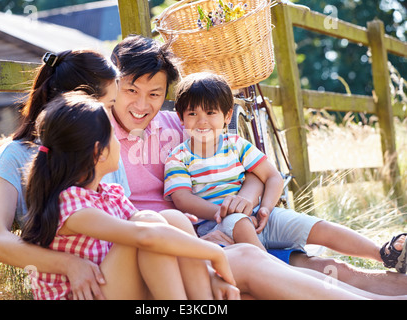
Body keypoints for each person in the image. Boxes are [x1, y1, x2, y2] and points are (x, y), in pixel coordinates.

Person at [110, 34, 407, 298]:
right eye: (131, 90)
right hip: (191, 239)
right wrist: (202, 233)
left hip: (234, 222)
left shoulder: (178, 123)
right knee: (287, 268)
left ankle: (388, 260)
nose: (142, 105)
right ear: (113, 85)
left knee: (328, 266)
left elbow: (251, 170)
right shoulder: (98, 135)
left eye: (155, 94)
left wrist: (247, 202)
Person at [163, 71, 407, 273]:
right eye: (192, 113)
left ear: (227, 116)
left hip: (260, 215)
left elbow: (272, 176)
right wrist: (221, 211)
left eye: (210, 113)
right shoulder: (179, 157)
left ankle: (382, 253)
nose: (202, 121)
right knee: (238, 222)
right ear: (181, 117)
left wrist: (267, 208)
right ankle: (278, 275)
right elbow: (182, 198)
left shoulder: (236, 144)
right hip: (219, 226)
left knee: (316, 226)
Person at [21, 91, 235, 299]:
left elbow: (154, 228)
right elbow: (146, 234)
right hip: (88, 294)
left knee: (173, 219)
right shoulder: (71, 204)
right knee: (149, 225)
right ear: (99, 151)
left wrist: (171, 229)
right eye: (113, 135)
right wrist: (214, 252)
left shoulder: (109, 194)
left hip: (109, 287)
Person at [0, 50, 130, 299]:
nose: (111, 120)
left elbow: (129, 222)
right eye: (108, 107)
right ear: (80, 106)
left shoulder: (105, 148)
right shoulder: (15, 154)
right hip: (73, 288)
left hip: (121, 275)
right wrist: (69, 264)